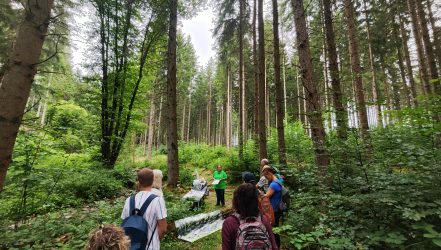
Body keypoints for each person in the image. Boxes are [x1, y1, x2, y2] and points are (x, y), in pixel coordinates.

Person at [121, 168, 167, 250]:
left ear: (138, 181)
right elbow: (163, 228)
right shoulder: (158, 200)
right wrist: (155, 240)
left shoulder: (129, 200)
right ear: (153, 180)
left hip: (132, 246)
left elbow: (124, 224)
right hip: (151, 246)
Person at [221, 183, 278, 250]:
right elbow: (274, 246)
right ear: (256, 201)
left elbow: (226, 247)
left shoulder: (229, 223)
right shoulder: (263, 220)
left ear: (236, 200)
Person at [262, 165, 283, 248]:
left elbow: (266, 197)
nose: (266, 178)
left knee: (273, 230)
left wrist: (259, 194)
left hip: (274, 211)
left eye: (266, 176)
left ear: (269, 173)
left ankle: (276, 246)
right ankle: (277, 245)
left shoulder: (273, 184)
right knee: (275, 228)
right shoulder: (278, 181)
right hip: (277, 209)